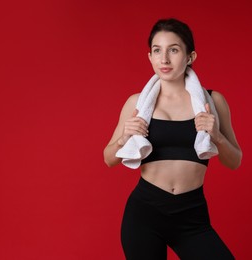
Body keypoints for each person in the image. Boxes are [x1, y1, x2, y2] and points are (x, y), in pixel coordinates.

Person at [103, 18, 242, 260]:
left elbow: (235, 161)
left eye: (174, 50)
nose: (164, 59)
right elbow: (108, 159)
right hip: (145, 213)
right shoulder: (137, 104)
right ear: (150, 57)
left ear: (191, 57)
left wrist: (217, 136)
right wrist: (124, 137)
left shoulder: (212, 102)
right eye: (157, 50)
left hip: (192, 215)